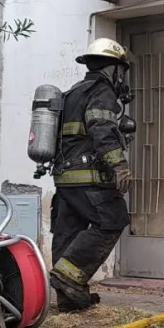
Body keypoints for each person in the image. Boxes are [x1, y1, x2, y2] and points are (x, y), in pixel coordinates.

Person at [49, 38, 134, 312]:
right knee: (112, 219)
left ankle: (70, 298)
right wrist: (119, 165)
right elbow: (101, 128)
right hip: (89, 177)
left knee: (68, 231)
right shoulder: (102, 91)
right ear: (114, 70)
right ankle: (66, 276)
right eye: (121, 72)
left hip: (64, 177)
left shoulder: (72, 92)